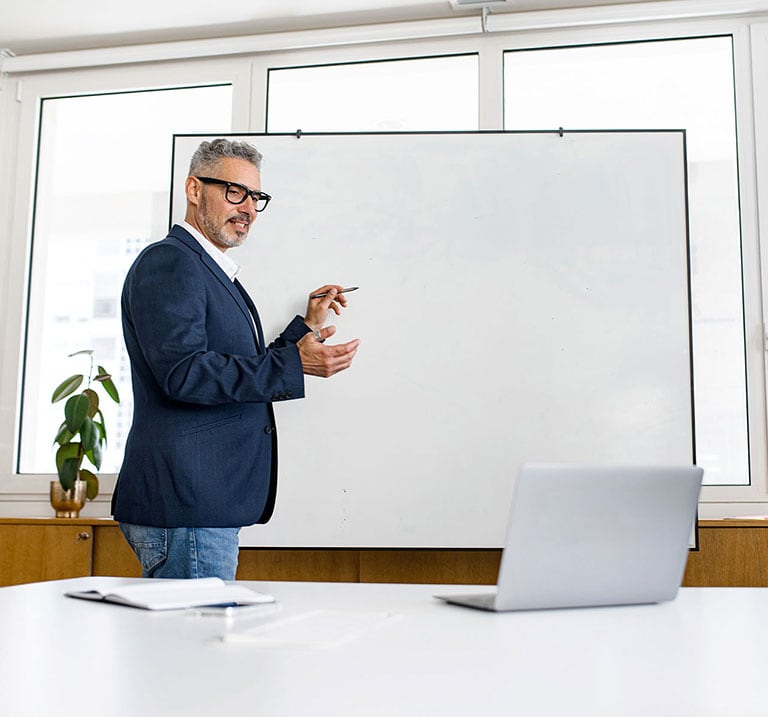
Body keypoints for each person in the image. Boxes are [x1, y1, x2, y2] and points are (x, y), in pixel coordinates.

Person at [112, 138, 360, 580]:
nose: (247, 207)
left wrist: (304, 327)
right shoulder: (171, 263)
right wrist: (295, 365)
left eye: (256, 197)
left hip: (203, 504)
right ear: (193, 189)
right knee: (193, 647)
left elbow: (234, 365)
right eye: (234, 191)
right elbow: (185, 374)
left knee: (193, 646)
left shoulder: (210, 270)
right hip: (187, 503)